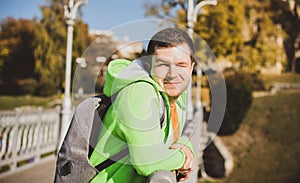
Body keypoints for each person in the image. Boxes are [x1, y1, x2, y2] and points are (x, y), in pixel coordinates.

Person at [89, 28, 196, 182]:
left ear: (191, 68)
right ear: (149, 65)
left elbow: (172, 141)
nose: (173, 74)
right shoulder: (139, 93)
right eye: (163, 64)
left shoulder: (176, 96)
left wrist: (186, 147)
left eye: (181, 65)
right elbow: (147, 162)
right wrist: (184, 157)